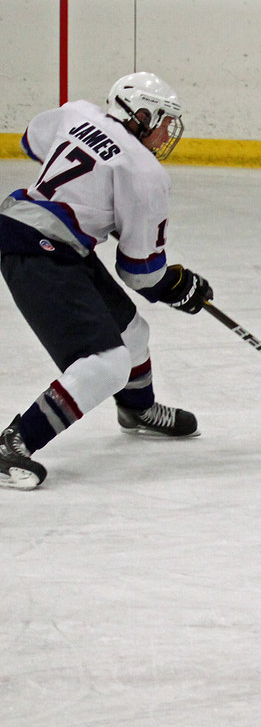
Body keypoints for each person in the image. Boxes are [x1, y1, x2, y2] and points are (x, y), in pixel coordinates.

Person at [0, 72, 213, 490]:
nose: (170, 132)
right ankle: (15, 441)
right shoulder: (144, 172)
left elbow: (31, 141)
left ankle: (137, 409)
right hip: (40, 250)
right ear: (142, 115)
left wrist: (96, 200)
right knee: (108, 363)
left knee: (132, 333)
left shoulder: (79, 112)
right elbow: (140, 272)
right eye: (166, 121)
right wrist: (178, 286)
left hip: (36, 232)